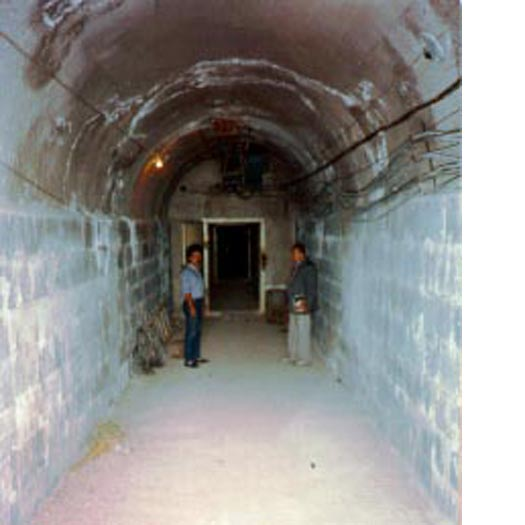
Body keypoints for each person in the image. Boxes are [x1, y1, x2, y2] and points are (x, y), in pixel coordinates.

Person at [284, 242, 318, 366]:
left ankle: (304, 358)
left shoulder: (309, 267)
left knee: (303, 330)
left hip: (302, 300)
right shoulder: (295, 266)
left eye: (295, 253)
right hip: (294, 300)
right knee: (293, 329)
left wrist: (308, 305)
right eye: (292, 253)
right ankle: (293, 355)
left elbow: (312, 288)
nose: (293, 256)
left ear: (302, 254)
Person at [180, 244, 208, 368]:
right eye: (195, 256)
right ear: (189, 258)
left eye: (199, 256)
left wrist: (203, 304)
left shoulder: (197, 270)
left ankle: (196, 356)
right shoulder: (186, 272)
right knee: (191, 331)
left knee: (197, 330)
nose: (198, 258)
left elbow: (200, 288)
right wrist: (191, 307)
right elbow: (187, 293)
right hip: (191, 302)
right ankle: (189, 359)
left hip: (198, 302)